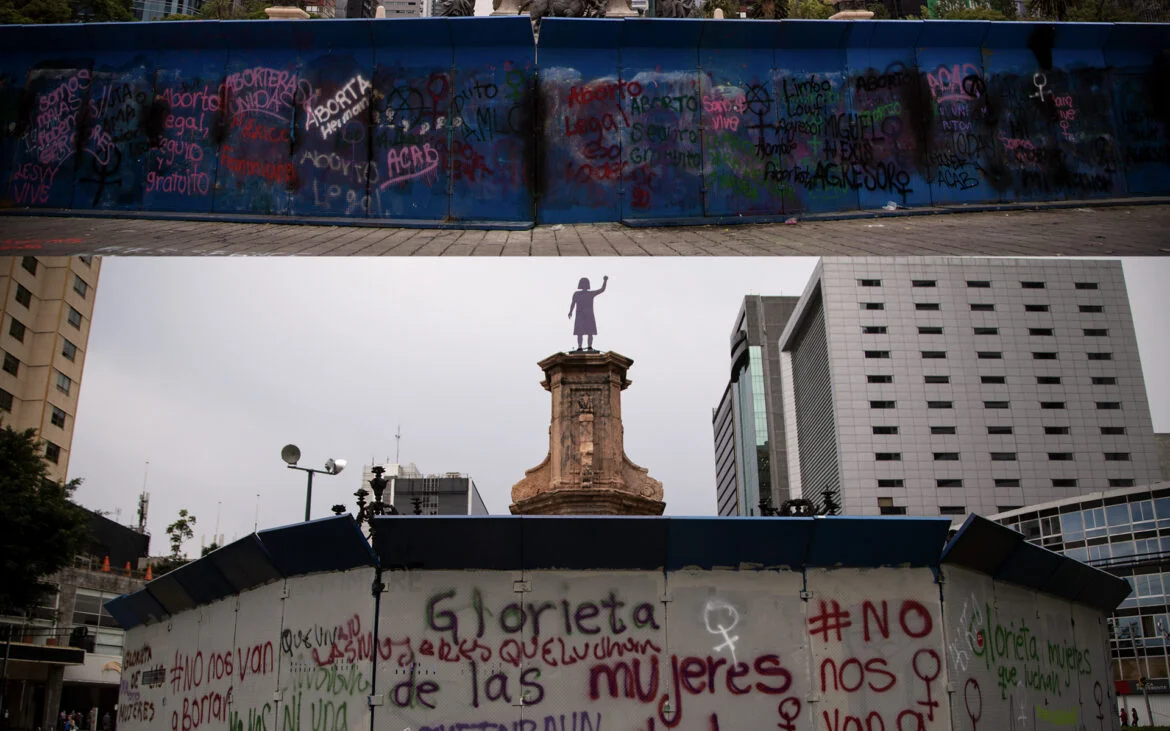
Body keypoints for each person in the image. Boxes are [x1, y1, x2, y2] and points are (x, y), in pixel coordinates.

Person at [568, 276, 607, 352]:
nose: (584, 285)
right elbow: (573, 303)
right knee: (580, 333)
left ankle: (589, 347)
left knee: (590, 333)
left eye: (585, 284)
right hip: (581, 315)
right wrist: (570, 312)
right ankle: (580, 347)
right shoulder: (577, 294)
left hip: (588, 315)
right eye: (583, 284)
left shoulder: (590, 293)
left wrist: (605, 281)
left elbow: (602, 289)